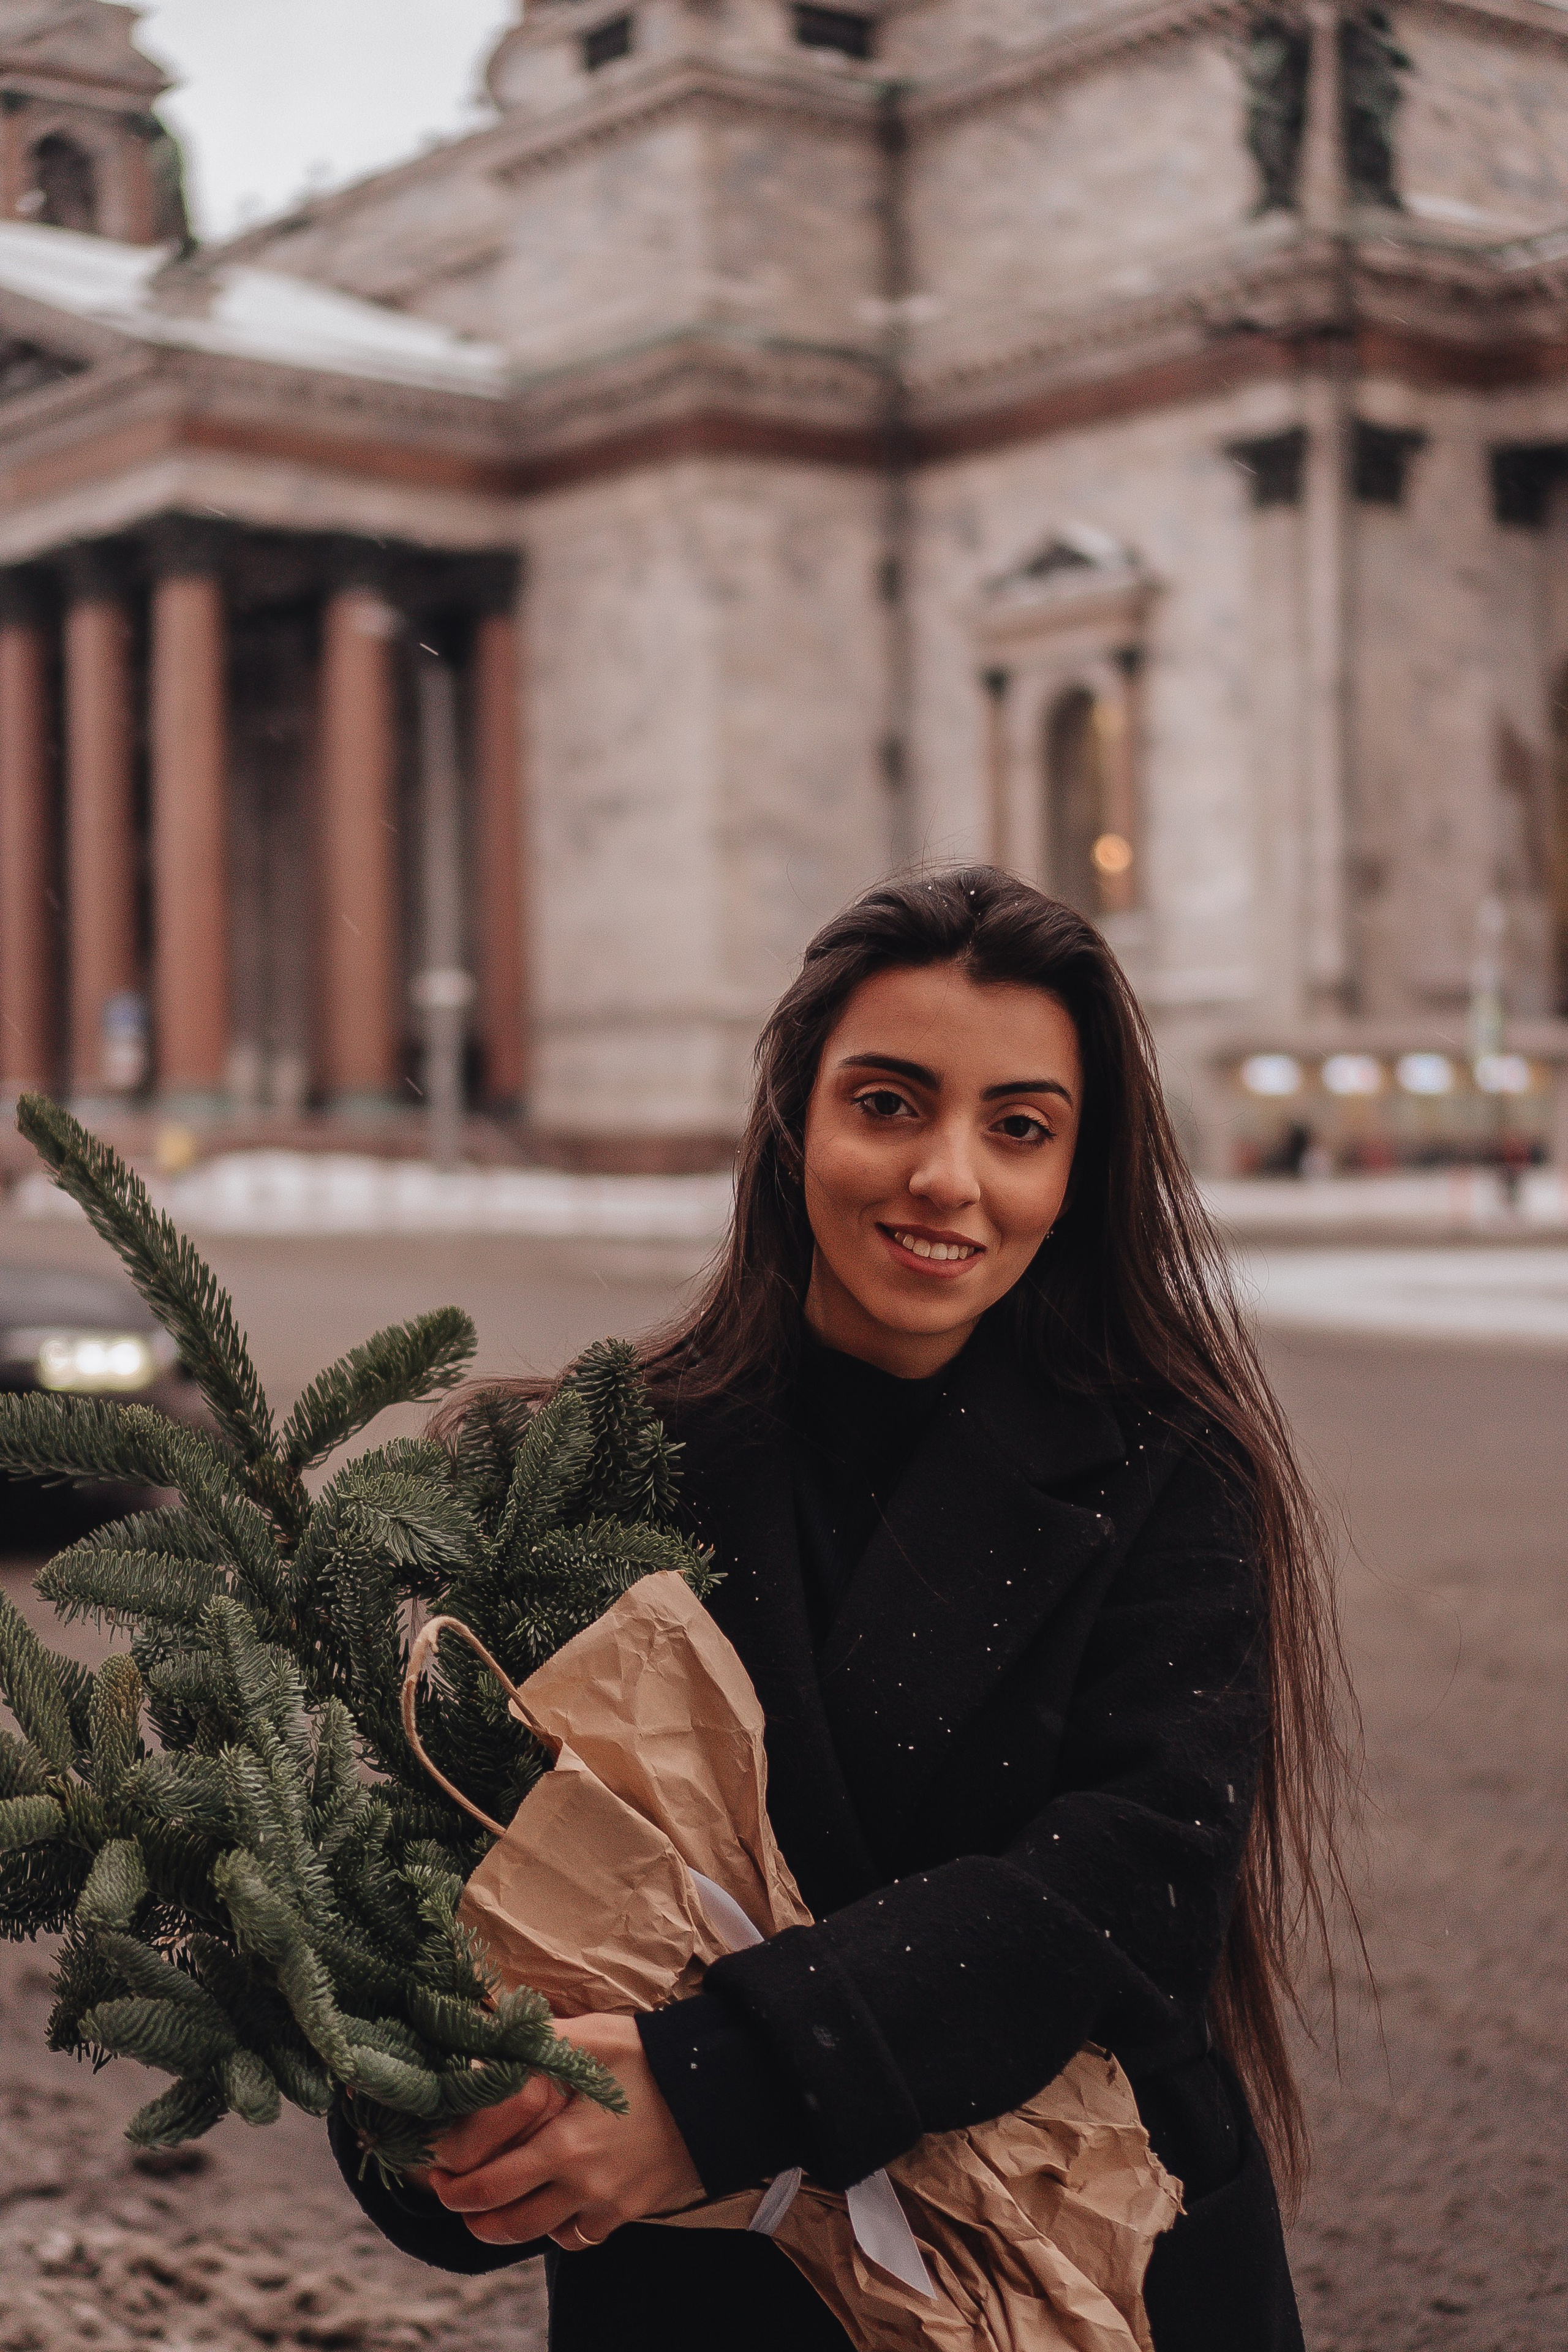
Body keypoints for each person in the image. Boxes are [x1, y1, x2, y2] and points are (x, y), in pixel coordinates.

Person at [332, 867, 1360, 2351]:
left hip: (1093, 2278)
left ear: (1078, 1172)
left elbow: (1120, 1894)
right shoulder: (586, 1469)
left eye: (1018, 1128)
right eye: (887, 1103)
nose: (946, 1177)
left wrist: (706, 2092)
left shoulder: (1170, 1470)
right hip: (708, 2307)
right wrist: (464, 2136)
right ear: (791, 1123)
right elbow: (435, 1913)